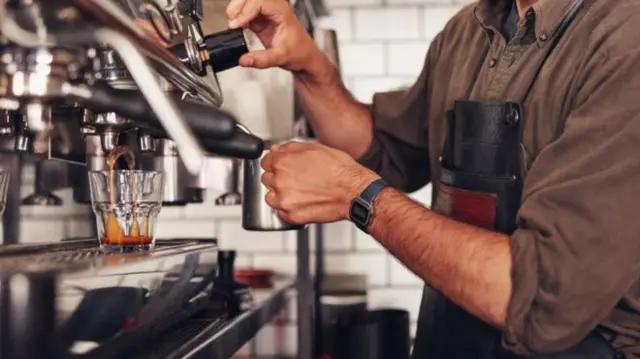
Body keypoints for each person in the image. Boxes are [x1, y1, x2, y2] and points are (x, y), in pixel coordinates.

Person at [225, 0, 640, 357]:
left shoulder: (624, 42)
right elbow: (383, 152)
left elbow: (542, 300)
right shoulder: (469, 31)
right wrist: (309, 66)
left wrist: (359, 197)